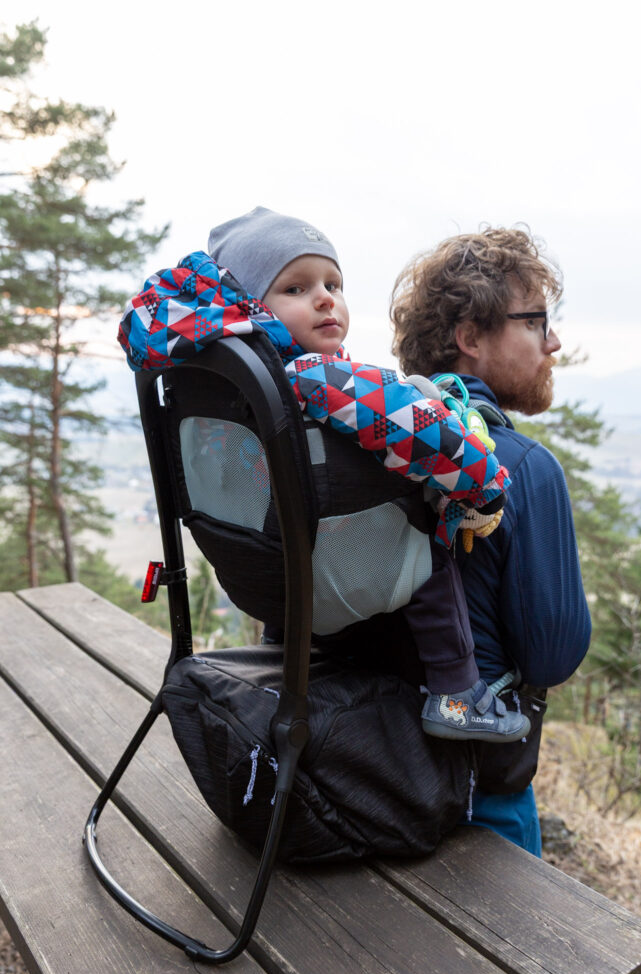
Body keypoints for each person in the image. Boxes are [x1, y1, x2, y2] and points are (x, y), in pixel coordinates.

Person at [206, 207, 529, 743]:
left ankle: (277, 648)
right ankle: (456, 695)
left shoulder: (228, 387)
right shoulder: (315, 375)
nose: (325, 298)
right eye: (295, 287)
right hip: (336, 577)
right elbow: (423, 434)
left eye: (333, 283)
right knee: (425, 541)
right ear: (250, 307)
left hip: (262, 579)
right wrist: (485, 485)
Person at [389, 226, 592, 854]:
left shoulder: (374, 442)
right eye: (535, 322)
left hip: (371, 772)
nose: (553, 342)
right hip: (480, 798)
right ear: (470, 338)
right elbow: (552, 658)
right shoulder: (522, 467)